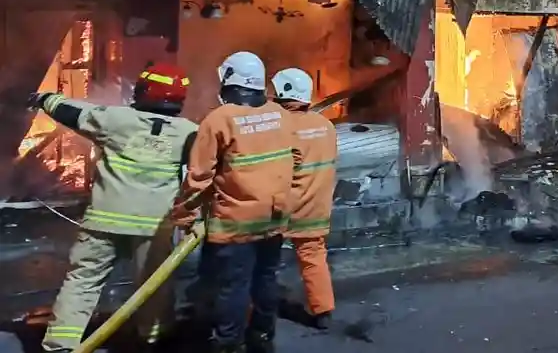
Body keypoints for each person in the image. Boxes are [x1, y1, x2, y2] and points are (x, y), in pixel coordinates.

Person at [34, 64, 197, 352]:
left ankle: (61, 344)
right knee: (154, 285)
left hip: (103, 224)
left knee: (83, 281)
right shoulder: (190, 133)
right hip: (154, 226)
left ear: (145, 90)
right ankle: (154, 336)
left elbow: (71, 112)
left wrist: (42, 98)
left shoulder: (115, 119)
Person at [172, 52, 293, 353]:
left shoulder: (218, 120)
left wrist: (183, 215)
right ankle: (263, 333)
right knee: (266, 278)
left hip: (236, 222)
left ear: (229, 82)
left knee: (233, 286)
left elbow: (198, 176)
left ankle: (228, 342)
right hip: (275, 217)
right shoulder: (280, 115)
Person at [272, 68, 338, 329]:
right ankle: (323, 312)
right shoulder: (326, 125)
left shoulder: (279, 125)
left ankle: (254, 312)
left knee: (262, 262)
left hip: (282, 208)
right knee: (313, 257)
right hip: (316, 207)